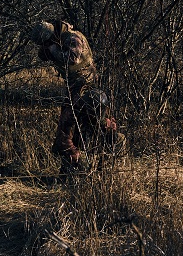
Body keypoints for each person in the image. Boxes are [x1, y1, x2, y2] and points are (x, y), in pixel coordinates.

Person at [29, 19, 121, 175]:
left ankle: (76, 162)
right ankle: (86, 158)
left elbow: (73, 59)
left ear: (50, 36)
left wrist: (52, 50)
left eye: (46, 42)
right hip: (77, 86)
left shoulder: (72, 38)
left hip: (84, 86)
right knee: (86, 121)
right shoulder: (61, 38)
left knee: (68, 124)